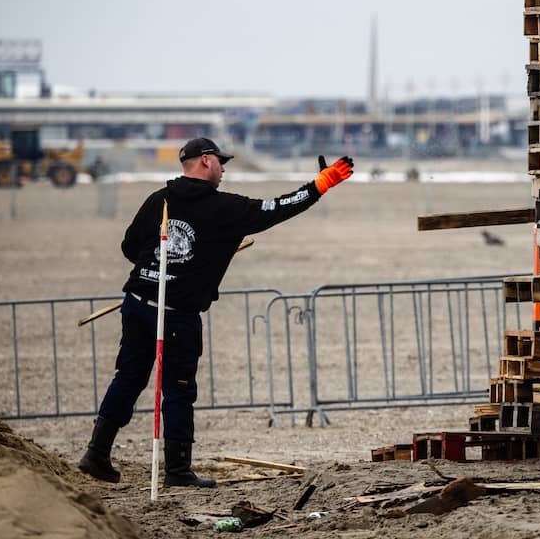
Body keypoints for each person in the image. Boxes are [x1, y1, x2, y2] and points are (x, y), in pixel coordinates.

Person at [77, 137, 353, 487]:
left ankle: (96, 453)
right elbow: (277, 208)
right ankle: (177, 471)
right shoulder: (224, 208)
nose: (224, 169)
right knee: (178, 389)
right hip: (176, 314)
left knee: (128, 378)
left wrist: (164, 267)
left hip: (137, 302)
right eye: (221, 162)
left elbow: (130, 247)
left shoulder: (157, 200)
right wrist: (321, 184)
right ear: (205, 161)